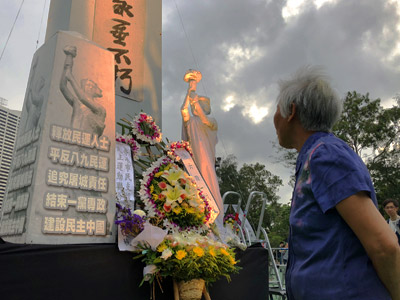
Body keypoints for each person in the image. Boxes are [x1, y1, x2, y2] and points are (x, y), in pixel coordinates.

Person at [273, 66, 400, 299]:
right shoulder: (315, 157)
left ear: (291, 111)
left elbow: (384, 245)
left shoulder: (326, 155)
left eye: (276, 110)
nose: (274, 119)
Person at [181, 70, 223, 219]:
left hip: (205, 158)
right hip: (192, 159)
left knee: (207, 183)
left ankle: (214, 215)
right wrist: (190, 92)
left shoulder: (211, 122)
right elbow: (183, 110)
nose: (196, 107)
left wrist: (195, 99)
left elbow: (204, 119)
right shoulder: (191, 122)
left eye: (201, 104)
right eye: (196, 105)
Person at [60, 46, 106, 137]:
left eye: (90, 86)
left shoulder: (100, 109)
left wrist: (71, 78)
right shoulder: (76, 103)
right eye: (86, 86)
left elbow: (82, 98)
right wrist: (68, 60)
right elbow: (63, 87)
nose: (88, 88)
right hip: (73, 142)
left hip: (89, 146)